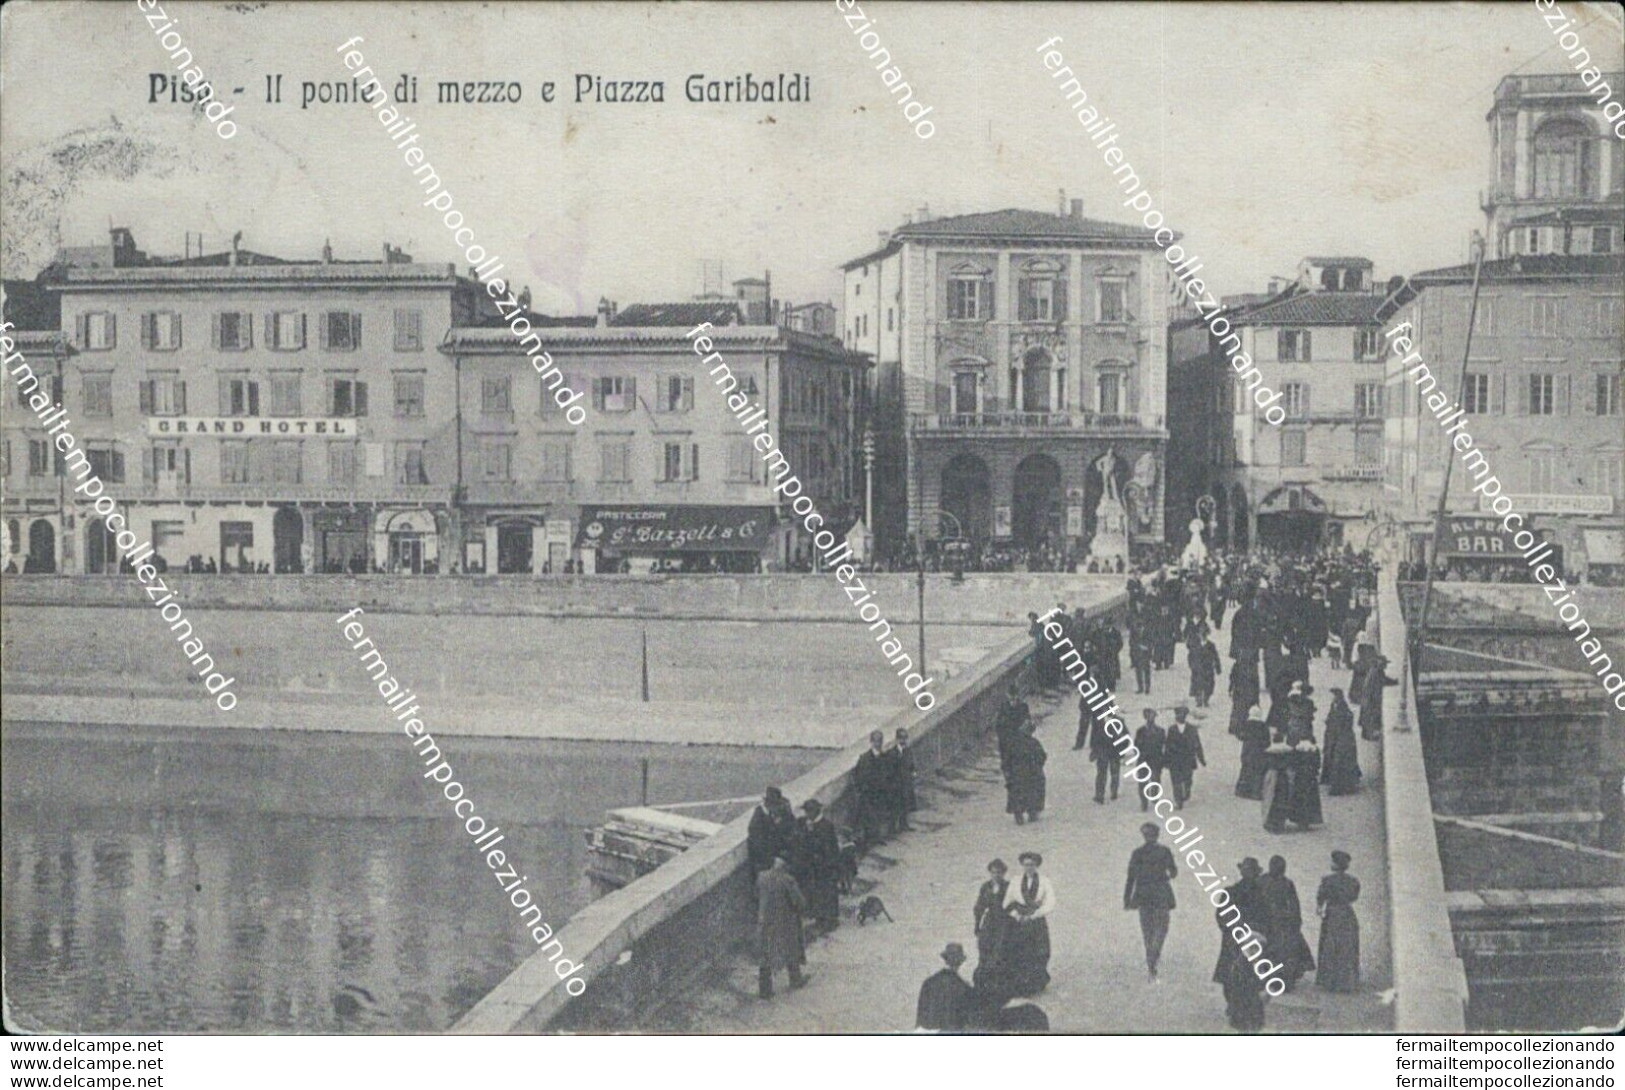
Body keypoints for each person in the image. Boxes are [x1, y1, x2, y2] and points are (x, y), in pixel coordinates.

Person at [1213, 857, 1267, 1032]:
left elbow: (1221, 916)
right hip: (1254, 939)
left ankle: (1234, 1006)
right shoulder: (1262, 893)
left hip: (1233, 939)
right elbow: (1268, 917)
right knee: (1251, 975)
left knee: (1230, 974)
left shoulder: (1230, 892)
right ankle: (1245, 1009)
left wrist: (1230, 931)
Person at [1123, 822, 1178, 980]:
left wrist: (1127, 899)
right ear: (1157, 835)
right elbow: (1173, 871)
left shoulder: (1137, 853)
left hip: (1143, 895)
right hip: (1161, 893)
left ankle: (1151, 959)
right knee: (1162, 927)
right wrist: (1168, 875)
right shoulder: (1164, 851)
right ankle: (1155, 953)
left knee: (1147, 929)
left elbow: (1130, 877)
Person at [1258, 855, 1315, 991]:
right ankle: (1284, 980)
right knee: (1286, 952)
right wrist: (1296, 921)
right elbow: (1294, 905)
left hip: (1268, 922)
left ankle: (1268, 978)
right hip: (1283, 923)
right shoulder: (1286, 883)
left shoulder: (1262, 880)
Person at [1001, 852, 1053, 996]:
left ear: (1036, 865)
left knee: (1040, 951)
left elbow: (1050, 903)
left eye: (1031, 865)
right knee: (1020, 952)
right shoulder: (1015, 881)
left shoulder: (1044, 881)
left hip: (1036, 921)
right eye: (1026, 865)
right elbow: (1007, 902)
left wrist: (1035, 915)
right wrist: (1016, 915)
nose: (1028, 868)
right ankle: (1022, 985)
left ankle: (1037, 982)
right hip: (1019, 922)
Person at [756, 855, 808, 998]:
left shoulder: (762, 877)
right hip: (785, 922)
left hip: (765, 921)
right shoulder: (787, 880)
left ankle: (765, 989)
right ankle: (795, 979)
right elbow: (799, 903)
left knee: (766, 954)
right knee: (792, 948)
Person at [791, 799, 842, 934]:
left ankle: (831, 920)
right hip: (816, 867)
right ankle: (821, 919)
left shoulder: (825, 826)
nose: (807, 815)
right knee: (818, 893)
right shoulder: (808, 824)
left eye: (808, 812)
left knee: (828, 892)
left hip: (826, 866)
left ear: (815, 812)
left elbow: (826, 848)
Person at [1316, 850, 1361, 992]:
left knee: (1330, 946)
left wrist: (1319, 907)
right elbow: (1354, 897)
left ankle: (1329, 979)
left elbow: (1320, 897)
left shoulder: (1327, 880)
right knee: (1347, 946)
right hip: (1347, 914)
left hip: (1332, 914)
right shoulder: (1353, 881)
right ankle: (1346, 980)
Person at [916, 943, 975, 1031]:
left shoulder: (929, 982)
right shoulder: (964, 988)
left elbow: (920, 1018)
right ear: (961, 962)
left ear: (945, 959)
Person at [972, 859, 1012, 990]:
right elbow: (979, 906)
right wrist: (977, 925)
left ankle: (999, 984)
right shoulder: (986, 887)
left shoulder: (1009, 887)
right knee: (984, 948)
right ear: (990, 873)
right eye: (993, 872)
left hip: (1004, 922)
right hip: (990, 921)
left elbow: (1014, 906)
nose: (996, 875)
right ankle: (983, 983)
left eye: (999, 872)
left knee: (1000, 951)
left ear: (1004, 873)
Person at [1004, 719, 1047, 825]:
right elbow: (1042, 757)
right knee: (1033, 792)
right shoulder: (1034, 743)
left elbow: (1007, 760)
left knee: (1017, 793)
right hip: (1032, 773)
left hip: (1017, 773)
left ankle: (1018, 814)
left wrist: (1008, 772)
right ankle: (1032, 812)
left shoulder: (1013, 743)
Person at [1164, 704, 1206, 810]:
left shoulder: (1192, 729)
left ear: (1185, 716)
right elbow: (1168, 746)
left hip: (1188, 759)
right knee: (1176, 781)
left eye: (1182, 714)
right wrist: (1165, 761)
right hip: (1175, 760)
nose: (1180, 716)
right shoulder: (1171, 729)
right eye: (1178, 714)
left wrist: (1201, 759)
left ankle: (1186, 792)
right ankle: (1178, 801)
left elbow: (1197, 744)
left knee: (1187, 780)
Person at [854, 731, 892, 847]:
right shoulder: (864, 758)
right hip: (868, 793)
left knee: (879, 814)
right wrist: (861, 789)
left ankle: (876, 837)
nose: (878, 743)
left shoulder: (885, 757)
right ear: (871, 742)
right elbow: (857, 775)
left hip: (880, 792)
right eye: (876, 741)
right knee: (867, 816)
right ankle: (867, 839)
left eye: (880, 741)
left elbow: (888, 774)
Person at [1321, 688, 1362, 795]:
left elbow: (1341, 722)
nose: (1332, 698)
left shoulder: (1341, 707)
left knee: (1339, 761)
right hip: (1336, 737)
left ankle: (1339, 787)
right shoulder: (1335, 705)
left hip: (1341, 738)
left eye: (1333, 695)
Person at [747, 787, 793, 876]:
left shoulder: (773, 813)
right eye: (777, 805)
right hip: (764, 863)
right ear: (770, 804)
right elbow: (758, 845)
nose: (779, 808)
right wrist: (773, 859)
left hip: (776, 856)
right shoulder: (758, 821)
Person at [1084, 703, 1123, 804]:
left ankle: (1113, 792)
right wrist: (1094, 750)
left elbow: (1124, 736)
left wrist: (1122, 749)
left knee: (1114, 773)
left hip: (1114, 751)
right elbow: (1094, 737)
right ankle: (1099, 795)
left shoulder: (1118, 721)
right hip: (1102, 751)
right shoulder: (1097, 722)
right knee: (1101, 773)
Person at [1133, 708, 1168, 813]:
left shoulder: (1161, 731)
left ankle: (1154, 796)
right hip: (1143, 760)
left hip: (1156, 760)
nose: (1151, 718)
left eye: (1152, 716)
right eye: (1148, 716)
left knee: (1156, 780)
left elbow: (1164, 745)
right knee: (1142, 783)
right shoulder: (1140, 731)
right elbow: (1136, 746)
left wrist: (1163, 758)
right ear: (1145, 718)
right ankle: (1144, 802)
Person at [1235, 704, 1270, 800]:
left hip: (1247, 751)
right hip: (1259, 752)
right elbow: (1267, 741)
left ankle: (1242, 790)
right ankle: (1256, 792)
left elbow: (1240, 736)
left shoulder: (1246, 724)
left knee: (1245, 769)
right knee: (1258, 772)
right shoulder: (1263, 726)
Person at [994, 685, 1030, 775]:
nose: (1013, 701)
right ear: (1008, 696)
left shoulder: (1023, 707)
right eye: (1011, 698)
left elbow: (1028, 723)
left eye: (1015, 698)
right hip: (1007, 738)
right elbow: (998, 725)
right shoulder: (1004, 707)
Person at [892, 727, 917, 833]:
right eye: (901, 738)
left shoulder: (908, 751)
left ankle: (904, 824)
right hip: (897, 783)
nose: (904, 740)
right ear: (897, 739)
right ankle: (893, 827)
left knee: (905, 803)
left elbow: (911, 764)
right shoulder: (893, 753)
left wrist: (914, 771)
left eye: (905, 738)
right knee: (896, 805)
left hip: (906, 781)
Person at [1189, 632, 1221, 709]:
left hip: (1208, 668)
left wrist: (1218, 667)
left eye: (1204, 635)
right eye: (1201, 635)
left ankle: (1206, 699)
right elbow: (1190, 656)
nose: (1203, 636)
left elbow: (1216, 656)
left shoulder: (1211, 645)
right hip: (1198, 668)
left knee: (1208, 685)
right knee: (1197, 684)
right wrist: (1192, 665)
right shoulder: (1195, 644)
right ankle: (1198, 700)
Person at [1130, 623, 1154, 695]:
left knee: (1146, 672)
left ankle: (1147, 688)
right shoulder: (1134, 633)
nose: (1139, 630)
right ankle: (1140, 687)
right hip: (1137, 655)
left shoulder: (1148, 633)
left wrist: (1146, 647)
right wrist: (1137, 647)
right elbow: (1131, 643)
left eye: (1140, 628)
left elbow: (1151, 642)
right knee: (1138, 672)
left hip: (1146, 655)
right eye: (1137, 628)